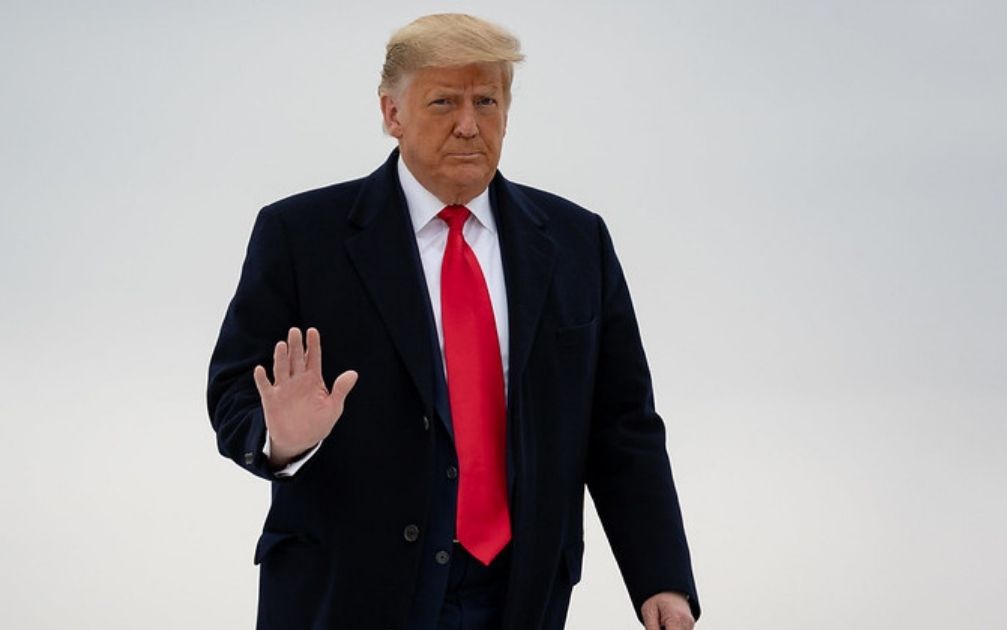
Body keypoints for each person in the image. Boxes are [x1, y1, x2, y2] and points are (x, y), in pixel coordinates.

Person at [206, 13, 699, 630]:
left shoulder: (577, 242)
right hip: (347, 592)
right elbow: (233, 395)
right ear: (392, 114)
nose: (469, 124)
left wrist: (661, 579)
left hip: (517, 592)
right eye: (443, 101)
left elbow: (623, 425)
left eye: (486, 100)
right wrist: (284, 441)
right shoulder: (301, 236)